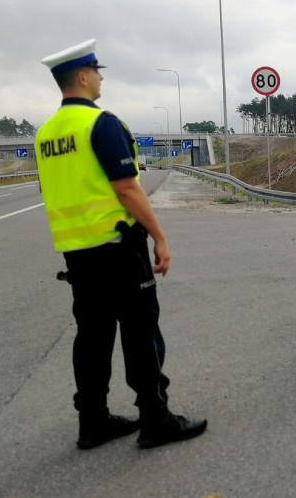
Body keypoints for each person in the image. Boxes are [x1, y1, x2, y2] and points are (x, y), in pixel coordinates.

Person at [36, 39, 207, 450]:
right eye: (97, 71)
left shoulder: (46, 135)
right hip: (119, 246)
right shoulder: (101, 124)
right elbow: (127, 189)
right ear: (81, 76)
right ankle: (155, 420)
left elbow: (54, 191)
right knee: (140, 333)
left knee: (92, 338)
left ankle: (92, 422)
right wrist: (160, 237)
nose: (101, 77)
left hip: (77, 253)